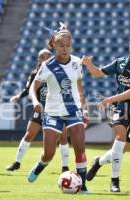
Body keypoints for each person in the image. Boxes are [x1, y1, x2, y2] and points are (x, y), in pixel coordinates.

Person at [82, 33, 130, 192]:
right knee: (120, 139)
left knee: (119, 151)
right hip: (120, 108)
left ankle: (98, 162)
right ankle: (114, 181)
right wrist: (88, 64)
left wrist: (110, 98)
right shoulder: (120, 62)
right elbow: (98, 73)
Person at [27, 23, 89, 194]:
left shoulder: (77, 62)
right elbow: (34, 87)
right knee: (48, 153)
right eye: (61, 45)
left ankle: (82, 186)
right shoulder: (47, 65)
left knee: (80, 146)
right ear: (53, 45)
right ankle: (40, 166)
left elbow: (79, 87)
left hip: (73, 110)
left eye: (68, 45)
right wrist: (35, 102)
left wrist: (84, 108)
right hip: (53, 111)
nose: (65, 48)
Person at [6, 49, 70, 173]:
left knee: (63, 136)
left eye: (45, 56)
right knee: (29, 133)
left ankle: (65, 167)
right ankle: (17, 162)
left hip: (56, 109)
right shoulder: (36, 73)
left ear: (50, 57)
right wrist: (19, 96)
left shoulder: (58, 70)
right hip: (41, 108)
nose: (43, 59)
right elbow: (29, 88)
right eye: (41, 57)